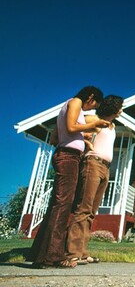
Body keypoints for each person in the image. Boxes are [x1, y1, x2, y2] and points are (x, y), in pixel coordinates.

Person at [28, 86, 110, 269]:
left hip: (67, 155)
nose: (92, 108)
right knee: (63, 204)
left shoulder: (69, 108)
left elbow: (56, 138)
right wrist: (94, 125)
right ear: (90, 97)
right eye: (94, 104)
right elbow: (72, 126)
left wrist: (84, 138)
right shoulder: (76, 102)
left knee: (59, 204)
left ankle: (40, 254)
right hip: (68, 157)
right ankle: (52, 257)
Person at [66, 95, 124, 265]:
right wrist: (85, 140)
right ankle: (72, 253)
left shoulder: (112, 126)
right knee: (83, 209)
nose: (121, 110)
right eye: (120, 106)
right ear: (113, 107)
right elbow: (74, 122)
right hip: (92, 163)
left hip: (105, 168)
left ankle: (83, 253)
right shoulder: (95, 119)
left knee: (91, 212)